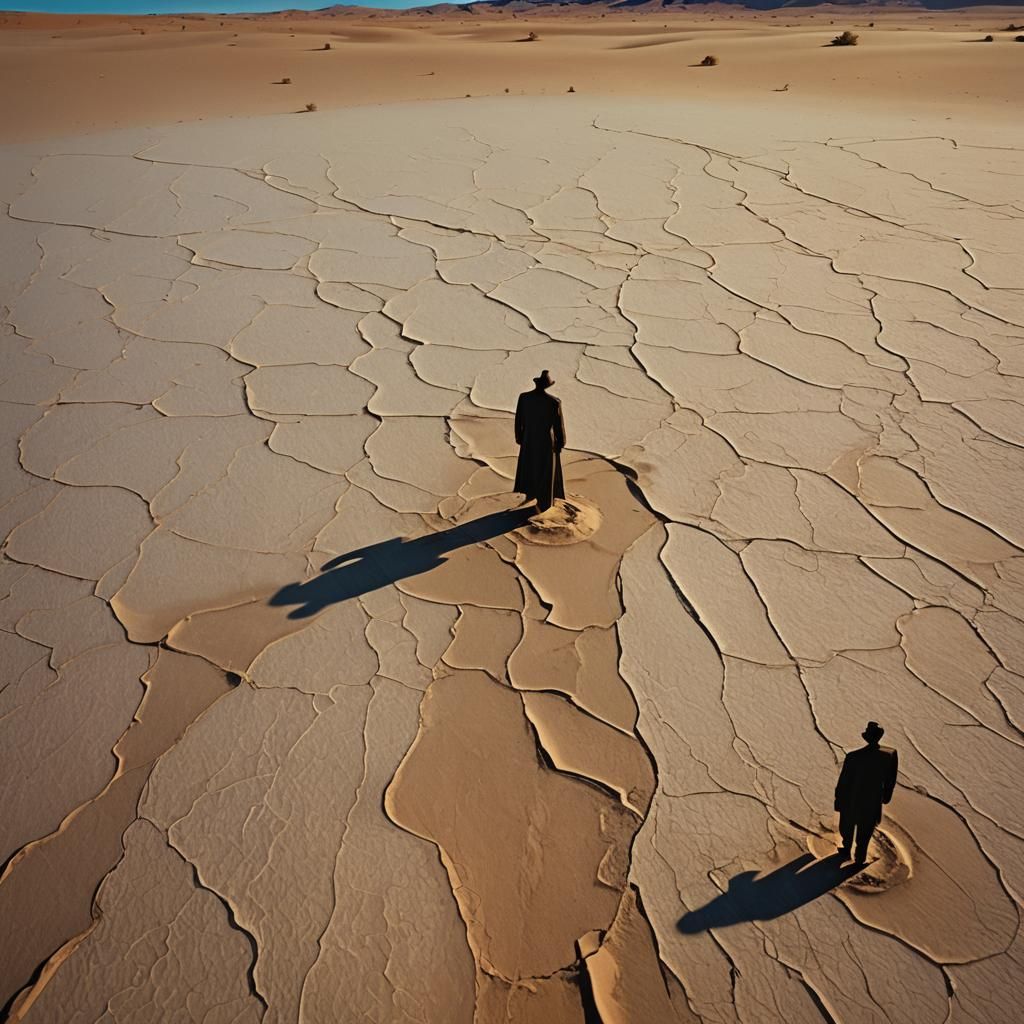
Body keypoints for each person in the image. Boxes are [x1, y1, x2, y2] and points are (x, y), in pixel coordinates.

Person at [834, 721, 898, 866]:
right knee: (864, 830)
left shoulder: (853, 757)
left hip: (852, 799)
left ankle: (847, 850)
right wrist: (886, 796)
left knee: (848, 827)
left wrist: (838, 800)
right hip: (871, 801)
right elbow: (890, 779)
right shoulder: (887, 756)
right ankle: (859, 856)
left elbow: (843, 781)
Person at [513, 370, 566, 513]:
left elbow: (519, 420)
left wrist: (519, 437)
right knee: (546, 470)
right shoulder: (553, 402)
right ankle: (545, 503)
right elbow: (558, 425)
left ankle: (531, 494)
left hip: (529, 439)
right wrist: (561, 442)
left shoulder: (524, 398)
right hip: (546, 442)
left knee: (530, 466)